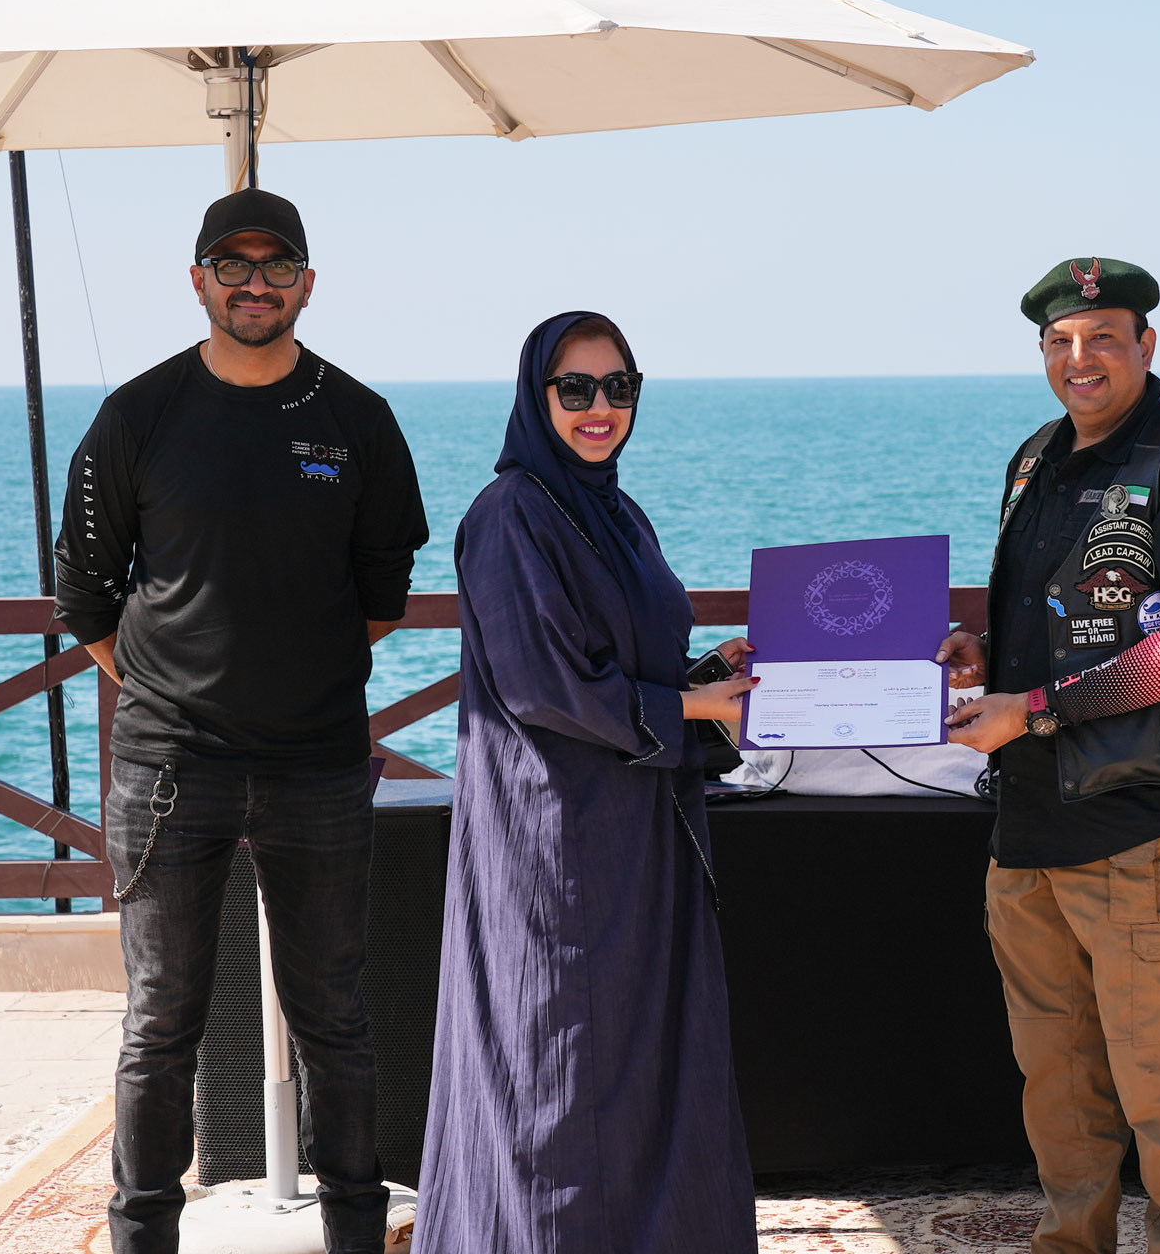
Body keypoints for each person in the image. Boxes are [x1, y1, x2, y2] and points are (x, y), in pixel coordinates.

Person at [53, 188, 429, 1254]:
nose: (255, 284)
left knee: (336, 1022)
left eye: (277, 266)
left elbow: (383, 594)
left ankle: (354, 1234)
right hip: (170, 769)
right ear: (198, 280)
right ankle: (142, 1236)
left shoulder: (357, 419)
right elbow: (85, 595)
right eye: (233, 265)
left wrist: (292, 678)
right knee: (160, 1023)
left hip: (318, 764)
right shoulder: (138, 415)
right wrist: (175, 690)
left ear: (307, 284)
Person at [412, 312, 759, 1254]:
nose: (599, 407)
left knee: (650, 1068)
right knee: (560, 1077)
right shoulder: (509, 514)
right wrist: (692, 707)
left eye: (619, 387)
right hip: (557, 848)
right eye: (575, 388)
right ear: (538, 397)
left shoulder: (617, 511)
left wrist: (707, 675)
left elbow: (622, 662)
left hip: (639, 835)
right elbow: (542, 682)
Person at [938, 258, 1160, 1254]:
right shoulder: (1034, 457)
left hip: (1142, 829)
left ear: (1145, 346)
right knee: (1057, 1076)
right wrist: (983, 652)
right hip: (1029, 825)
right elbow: (1065, 621)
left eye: (1102, 338)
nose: (1079, 359)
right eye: (1059, 342)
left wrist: (1034, 709)